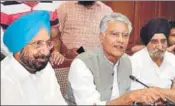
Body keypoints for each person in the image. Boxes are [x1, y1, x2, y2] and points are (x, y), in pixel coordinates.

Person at [66, 13, 167, 105]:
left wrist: (148, 99)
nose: (121, 40)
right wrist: (130, 97)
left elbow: (135, 96)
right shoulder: (82, 64)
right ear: (101, 37)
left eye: (125, 35)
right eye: (114, 34)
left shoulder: (128, 61)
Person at [1, 11, 67, 105]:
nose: (45, 51)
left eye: (47, 43)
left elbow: (58, 102)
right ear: (18, 49)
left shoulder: (45, 68)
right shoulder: (4, 78)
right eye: (37, 44)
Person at [0, 1, 64, 65]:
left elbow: (55, 37)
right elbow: (4, 43)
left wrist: (56, 51)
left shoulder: (50, 6)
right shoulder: (4, 8)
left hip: (44, 62)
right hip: (15, 63)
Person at [131, 18, 175, 102]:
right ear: (147, 43)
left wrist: (155, 90)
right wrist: (169, 93)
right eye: (154, 42)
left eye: (163, 41)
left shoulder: (173, 60)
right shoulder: (134, 61)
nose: (160, 46)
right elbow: (135, 97)